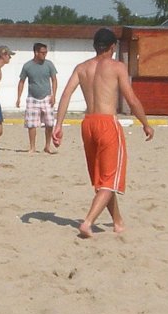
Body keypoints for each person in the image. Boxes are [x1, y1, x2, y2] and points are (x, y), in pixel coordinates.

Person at [51, 27, 153, 238]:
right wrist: (145, 123)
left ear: (94, 46)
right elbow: (131, 99)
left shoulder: (82, 68)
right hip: (107, 123)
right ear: (112, 47)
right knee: (109, 180)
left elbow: (66, 95)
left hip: (88, 124)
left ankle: (118, 222)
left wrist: (58, 125)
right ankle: (88, 222)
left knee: (102, 179)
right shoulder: (116, 67)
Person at [17, 42, 60, 153]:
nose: (45, 54)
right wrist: (18, 97)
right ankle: (32, 147)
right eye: (42, 52)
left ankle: (47, 146)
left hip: (47, 96)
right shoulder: (27, 66)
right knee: (31, 124)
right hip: (32, 97)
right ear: (36, 52)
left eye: (46, 52)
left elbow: (54, 80)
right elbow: (21, 81)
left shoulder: (49, 64)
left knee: (49, 123)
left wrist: (54, 95)